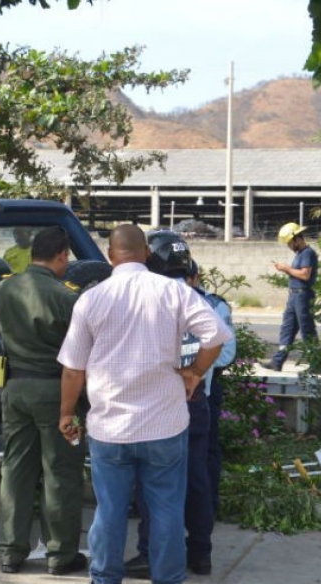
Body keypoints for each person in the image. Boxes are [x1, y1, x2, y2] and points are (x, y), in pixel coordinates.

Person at [58, 224, 231, 584]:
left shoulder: (91, 298)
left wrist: (65, 413)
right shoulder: (174, 291)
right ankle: (168, 578)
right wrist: (195, 371)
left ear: (110, 255)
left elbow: (74, 369)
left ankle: (105, 577)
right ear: (147, 254)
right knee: (166, 509)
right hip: (164, 426)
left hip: (110, 429)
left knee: (110, 512)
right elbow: (216, 335)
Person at [123, 233, 236, 579]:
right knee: (196, 479)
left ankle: (150, 554)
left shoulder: (147, 301)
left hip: (158, 402)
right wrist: (195, 372)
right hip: (195, 398)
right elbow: (224, 347)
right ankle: (200, 553)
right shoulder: (201, 302)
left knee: (153, 483)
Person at [0, 226, 87, 576]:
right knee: (61, 471)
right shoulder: (68, 297)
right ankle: (61, 555)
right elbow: (80, 355)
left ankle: (10, 551)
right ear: (62, 255)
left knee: (15, 470)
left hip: (15, 390)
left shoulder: (4, 288)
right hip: (57, 393)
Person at [267, 222, 318, 371]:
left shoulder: (308, 253)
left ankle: (316, 363)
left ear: (297, 239)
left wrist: (286, 268)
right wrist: (286, 269)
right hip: (294, 296)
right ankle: (277, 361)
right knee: (287, 330)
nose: (289, 246)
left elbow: (305, 274)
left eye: (289, 243)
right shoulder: (300, 254)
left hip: (303, 295)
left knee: (307, 330)